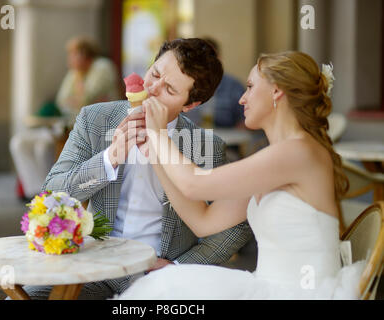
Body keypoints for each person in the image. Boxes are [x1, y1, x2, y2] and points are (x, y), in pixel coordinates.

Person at [118, 51, 366, 300]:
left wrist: (159, 134)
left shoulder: (298, 152)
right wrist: (156, 154)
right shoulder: (274, 159)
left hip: (302, 293)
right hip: (268, 287)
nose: (242, 99)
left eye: (249, 87)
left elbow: (194, 184)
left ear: (276, 90)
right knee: (164, 286)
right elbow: (202, 221)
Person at [23, 38, 252, 300]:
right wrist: (109, 158)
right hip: (95, 269)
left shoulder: (205, 147)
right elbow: (51, 193)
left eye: (169, 89)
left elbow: (236, 227)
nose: (152, 89)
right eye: (154, 74)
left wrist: (178, 269)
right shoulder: (95, 119)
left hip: (158, 278)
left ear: (190, 105)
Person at [9, 37, 121, 199]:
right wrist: (77, 95)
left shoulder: (101, 67)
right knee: (20, 142)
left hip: (97, 131)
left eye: (74, 54)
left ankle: (50, 194)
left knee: (44, 148)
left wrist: (79, 96)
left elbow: (87, 99)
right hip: (67, 127)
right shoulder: (75, 73)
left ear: (85, 55)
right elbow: (62, 100)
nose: (70, 59)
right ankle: (37, 193)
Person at [185, 37, 245, 128]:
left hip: (226, 141)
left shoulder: (234, 87)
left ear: (219, 59)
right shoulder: (184, 85)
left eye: (209, 58)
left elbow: (245, 122)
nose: (204, 63)